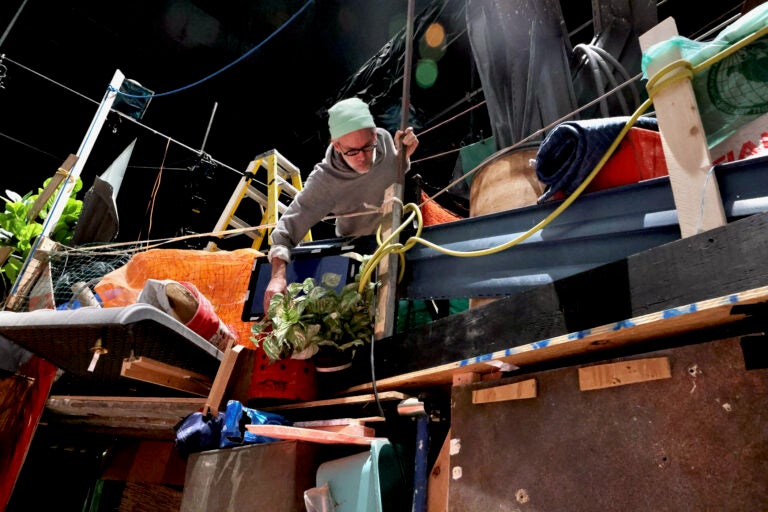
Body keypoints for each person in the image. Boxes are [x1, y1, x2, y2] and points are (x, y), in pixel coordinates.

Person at [262, 97, 419, 314]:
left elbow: (393, 173)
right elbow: (284, 232)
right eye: (352, 151)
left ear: (374, 133)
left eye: (367, 147)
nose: (363, 157)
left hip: (397, 234)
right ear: (336, 145)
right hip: (357, 249)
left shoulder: (383, 140)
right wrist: (277, 277)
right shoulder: (325, 181)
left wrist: (404, 157)